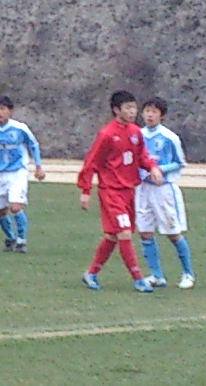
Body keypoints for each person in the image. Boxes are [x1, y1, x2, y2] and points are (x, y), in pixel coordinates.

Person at [78, 90, 163, 293]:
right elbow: (91, 163)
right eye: (128, 108)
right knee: (124, 233)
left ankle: (91, 273)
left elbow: (142, 156)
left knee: (113, 236)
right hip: (111, 191)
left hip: (129, 191)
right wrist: (85, 190)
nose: (133, 112)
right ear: (116, 110)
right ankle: (138, 279)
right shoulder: (106, 134)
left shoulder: (135, 133)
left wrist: (152, 167)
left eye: (134, 107)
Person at [0, 96, 46, 253]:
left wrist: (38, 167)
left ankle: (21, 240)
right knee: (0, 211)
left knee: (15, 207)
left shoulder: (19, 128)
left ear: (10, 111)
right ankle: (10, 237)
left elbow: (33, 145)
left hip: (17, 172)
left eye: (2, 109)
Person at [137, 98, 194, 289]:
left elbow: (180, 162)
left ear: (161, 115)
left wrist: (160, 169)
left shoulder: (170, 137)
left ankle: (188, 274)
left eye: (154, 112)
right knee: (145, 232)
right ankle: (156, 275)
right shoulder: (137, 135)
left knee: (173, 233)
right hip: (143, 189)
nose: (150, 115)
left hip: (163, 190)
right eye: (147, 111)